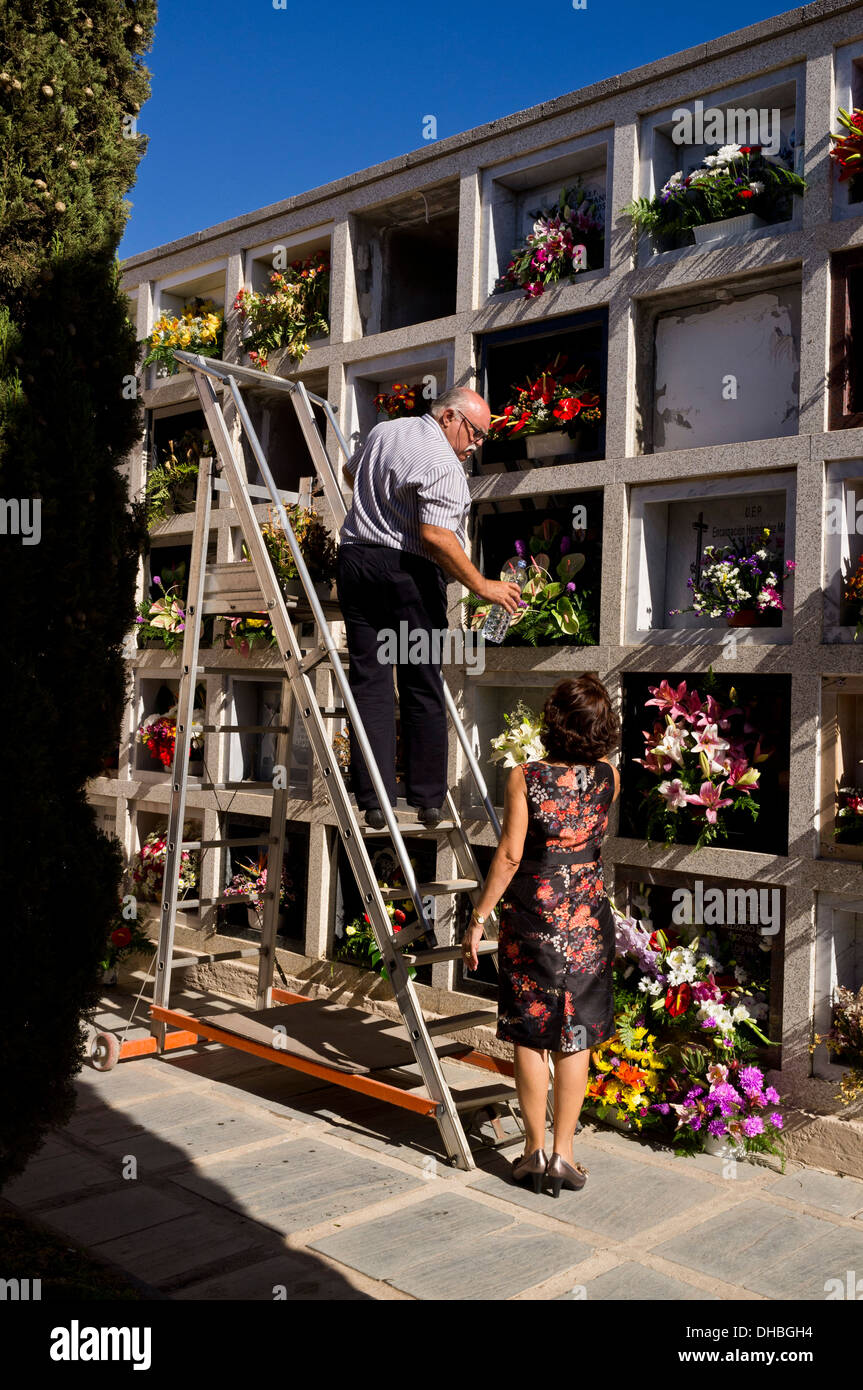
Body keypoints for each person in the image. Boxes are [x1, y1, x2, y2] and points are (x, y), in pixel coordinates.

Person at [461, 675, 621, 1198]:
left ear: (554, 720)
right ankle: (565, 1156)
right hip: (587, 920)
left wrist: (479, 917)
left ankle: (532, 1153)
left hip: (532, 916)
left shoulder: (524, 776)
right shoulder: (609, 778)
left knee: (531, 1034)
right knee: (575, 1037)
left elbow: (509, 855)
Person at [337, 386, 522, 829]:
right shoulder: (443, 465)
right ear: (449, 418)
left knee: (371, 683)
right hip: (408, 575)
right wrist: (483, 586)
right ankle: (426, 798)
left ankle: (375, 800)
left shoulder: (385, 431)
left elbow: (349, 473)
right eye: (476, 434)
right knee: (421, 681)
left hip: (357, 564)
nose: (476, 446)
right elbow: (437, 537)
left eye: (483, 439)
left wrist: (382, 507)